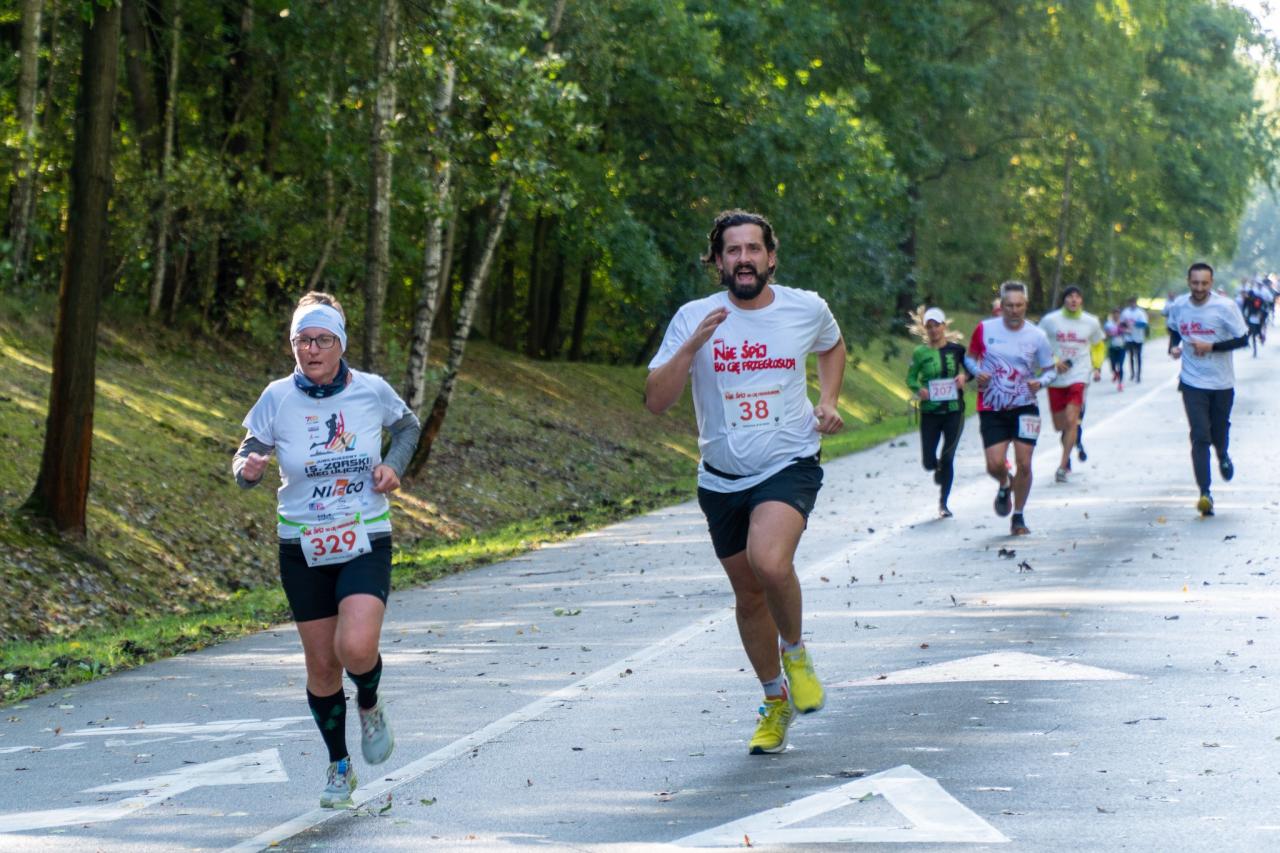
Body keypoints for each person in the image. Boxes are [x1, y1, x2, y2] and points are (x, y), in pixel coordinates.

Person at [645, 209, 845, 755]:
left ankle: (797, 654)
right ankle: (774, 700)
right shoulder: (693, 317)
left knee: (770, 561)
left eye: (753, 249)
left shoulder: (805, 308)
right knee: (749, 595)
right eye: (732, 251)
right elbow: (657, 402)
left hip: (788, 462)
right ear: (717, 260)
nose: (744, 259)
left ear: (771, 256)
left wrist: (827, 401)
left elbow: (832, 345)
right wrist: (691, 347)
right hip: (720, 477)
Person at [232, 292, 421, 808]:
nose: (311, 350)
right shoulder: (276, 397)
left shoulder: (370, 391)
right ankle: (339, 764)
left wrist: (393, 466)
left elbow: (407, 426)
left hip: (363, 536)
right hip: (302, 544)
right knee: (321, 666)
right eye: (301, 340)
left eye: (322, 340)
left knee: (355, 648)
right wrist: (247, 469)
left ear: (340, 344)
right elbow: (249, 449)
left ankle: (371, 701)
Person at [966, 281, 1058, 536]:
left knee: (1025, 463)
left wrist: (1040, 382)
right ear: (1001, 306)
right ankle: (1005, 483)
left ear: (1026, 305)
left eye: (1019, 305)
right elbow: (969, 358)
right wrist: (977, 372)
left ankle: (1018, 516)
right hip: (992, 406)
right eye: (1009, 306)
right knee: (994, 464)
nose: (1014, 310)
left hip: (1025, 406)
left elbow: (1050, 370)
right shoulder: (985, 329)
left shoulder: (1037, 336)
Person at [1167, 263, 1248, 516]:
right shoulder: (1179, 305)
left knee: (1219, 430)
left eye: (1204, 283)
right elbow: (1173, 330)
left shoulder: (1225, 307)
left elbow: (1243, 339)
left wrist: (1211, 346)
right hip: (1192, 382)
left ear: (1211, 283)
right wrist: (1174, 347)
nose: (1199, 288)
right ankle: (1205, 493)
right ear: (1188, 281)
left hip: (1221, 382)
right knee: (1200, 434)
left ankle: (1223, 454)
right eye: (1195, 283)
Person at [906, 307, 968, 518]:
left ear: (944, 326)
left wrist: (964, 378)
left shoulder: (957, 350)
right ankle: (937, 468)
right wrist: (919, 390)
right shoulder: (920, 353)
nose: (933, 330)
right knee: (928, 462)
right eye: (929, 326)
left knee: (948, 457)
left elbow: (972, 369)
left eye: (937, 325)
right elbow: (911, 378)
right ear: (925, 329)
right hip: (930, 412)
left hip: (954, 411)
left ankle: (944, 503)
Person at [1038, 286, 1104, 483]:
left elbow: (1098, 345)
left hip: (1079, 374)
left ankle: (1062, 465)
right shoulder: (1051, 321)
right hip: (1056, 377)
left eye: (1077, 296)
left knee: (1072, 419)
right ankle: (1069, 447)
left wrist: (1097, 366)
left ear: (1082, 300)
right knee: (1061, 425)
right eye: (1070, 296)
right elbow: (1037, 343)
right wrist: (1052, 360)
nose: (1074, 300)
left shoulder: (1090, 322)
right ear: (1064, 300)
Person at [1120, 297, 1149, 382]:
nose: (1132, 304)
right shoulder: (1125, 312)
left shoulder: (1140, 312)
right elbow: (1121, 323)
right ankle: (1132, 373)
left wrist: (1135, 323)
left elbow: (1144, 324)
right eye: (1131, 302)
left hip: (1138, 337)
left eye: (1134, 302)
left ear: (1136, 303)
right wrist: (1125, 327)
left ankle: (1138, 374)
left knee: (1138, 356)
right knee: (1131, 356)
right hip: (1129, 338)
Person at [1104, 308, 1127, 390]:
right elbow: (1105, 335)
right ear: (1112, 314)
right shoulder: (1108, 324)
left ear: (1119, 315)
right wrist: (1110, 334)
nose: (1116, 315)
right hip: (1112, 347)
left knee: (1120, 365)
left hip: (1121, 347)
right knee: (1113, 366)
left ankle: (1120, 383)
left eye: (1118, 314)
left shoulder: (1122, 323)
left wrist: (1123, 331)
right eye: (1114, 313)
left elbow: (1129, 331)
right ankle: (1115, 373)